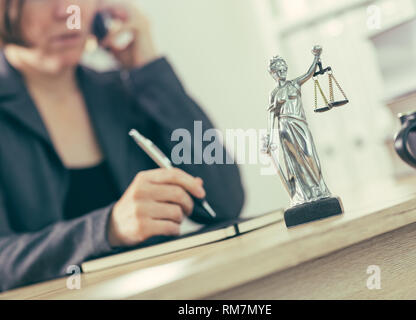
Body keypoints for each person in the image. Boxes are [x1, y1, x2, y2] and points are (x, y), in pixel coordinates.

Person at [0, 0, 244, 292]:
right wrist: (107, 229)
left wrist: (150, 70)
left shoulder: (124, 92)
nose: (68, 11)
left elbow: (224, 202)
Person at [263, 46, 331, 205]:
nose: (282, 73)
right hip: (285, 128)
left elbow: (309, 73)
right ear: (272, 73)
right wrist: (269, 137)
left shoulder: (294, 84)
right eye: (278, 71)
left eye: (283, 69)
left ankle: (319, 189)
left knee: (309, 156)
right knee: (296, 164)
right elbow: (271, 114)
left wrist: (316, 57)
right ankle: (305, 194)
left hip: (299, 124)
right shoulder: (273, 93)